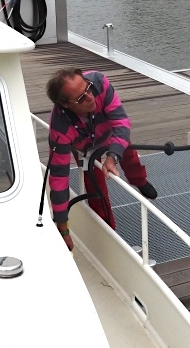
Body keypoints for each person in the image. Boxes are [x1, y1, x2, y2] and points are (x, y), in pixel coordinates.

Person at [46, 67, 157, 250]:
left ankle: (140, 180)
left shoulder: (98, 82)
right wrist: (63, 229)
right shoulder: (60, 130)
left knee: (128, 152)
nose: (90, 97)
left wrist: (112, 156)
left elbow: (121, 122)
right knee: (95, 187)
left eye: (88, 88)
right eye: (81, 98)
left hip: (109, 133)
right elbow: (59, 178)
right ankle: (109, 231)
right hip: (85, 148)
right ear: (65, 105)